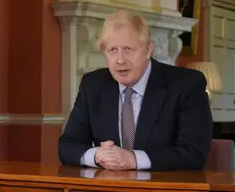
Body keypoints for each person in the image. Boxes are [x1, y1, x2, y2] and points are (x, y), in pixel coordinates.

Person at [58, 10, 213, 171]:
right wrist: (97, 155)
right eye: (112, 50)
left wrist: (132, 159)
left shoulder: (186, 84)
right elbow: (67, 145)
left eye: (128, 50)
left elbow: (193, 153)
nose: (120, 60)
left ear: (148, 50)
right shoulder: (93, 85)